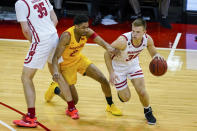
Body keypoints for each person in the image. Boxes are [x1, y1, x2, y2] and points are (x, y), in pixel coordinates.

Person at [44, 15, 122, 119]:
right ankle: (56, 89)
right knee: (74, 100)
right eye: (83, 27)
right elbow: (55, 58)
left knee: (103, 79)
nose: (86, 30)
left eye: (87, 27)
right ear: (76, 26)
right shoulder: (66, 36)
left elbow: (102, 42)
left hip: (79, 59)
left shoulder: (87, 32)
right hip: (66, 66)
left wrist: (110, 48)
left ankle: (110, 105)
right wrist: (55, 72)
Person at [13, 0, 74, 128]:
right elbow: (55, 20)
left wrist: (35, 44)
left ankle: (30, 117)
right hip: (53, 37)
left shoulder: (21, 3)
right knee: (56, 72)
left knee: (26, 77)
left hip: (41, 41)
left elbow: (25, 30)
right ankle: (72, 109)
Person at [104, 18, 164, 125]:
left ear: (144, 32)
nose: (134, 34)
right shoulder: (123, 41)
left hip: (133, 65)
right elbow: (106, 54)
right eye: (133, 31)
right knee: (126, 98)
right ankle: (121, 93)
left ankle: (148, 111)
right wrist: (111, 72)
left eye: (138, 32)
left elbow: (152, 48)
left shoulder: (147, 39)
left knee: (141, 91)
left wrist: (156, 55)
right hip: (118, 68)